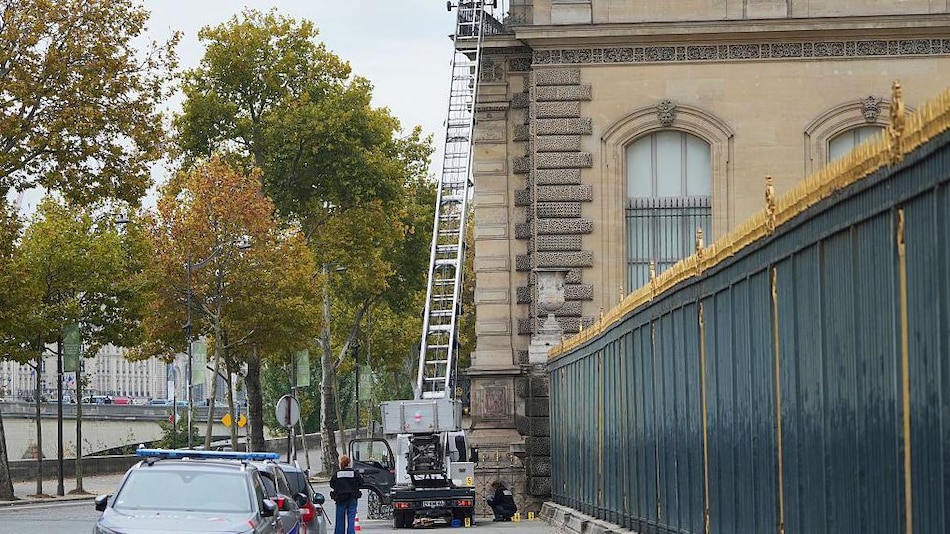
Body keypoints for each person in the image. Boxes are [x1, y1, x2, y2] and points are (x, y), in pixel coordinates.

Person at [329, 454, 363, 534]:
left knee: (340, 520)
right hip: (352, 498)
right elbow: (361, 483)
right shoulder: (355, 473)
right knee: (351, 520)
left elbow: (332, 484)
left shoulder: (337, 474)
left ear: (341, 464)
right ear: (349, 463)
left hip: (340, 499)